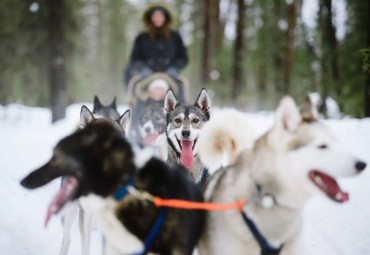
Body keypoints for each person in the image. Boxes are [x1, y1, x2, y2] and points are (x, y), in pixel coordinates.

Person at [124, 3, 188, 101]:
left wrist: (174, 69)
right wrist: (143, 69)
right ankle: (135, 112)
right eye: (155, 15)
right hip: (147, 77)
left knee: (180, 93)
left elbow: (183, 58)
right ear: (150, 18)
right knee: (134, 87)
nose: (158, 18)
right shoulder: (142, 38)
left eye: (160, 15)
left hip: (170, 77)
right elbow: (135, 59)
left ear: (165, 18)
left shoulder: (175, 37)